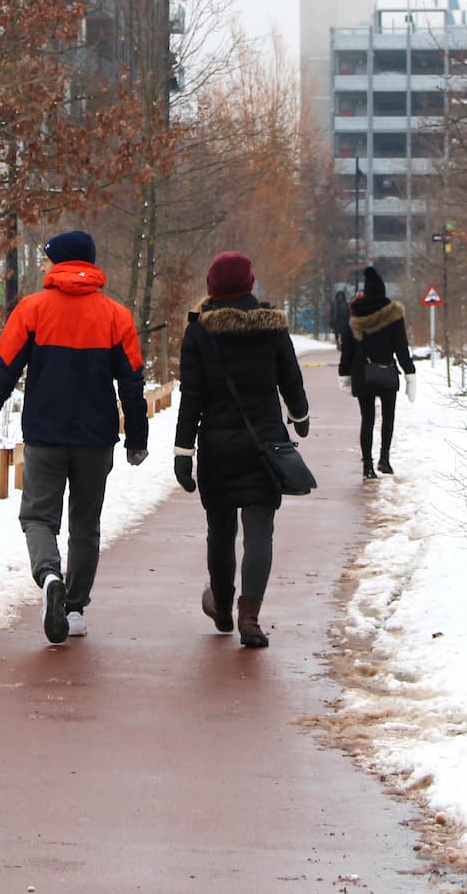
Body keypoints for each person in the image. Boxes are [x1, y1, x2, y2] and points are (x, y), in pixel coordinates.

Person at [0, 230, 149, 645]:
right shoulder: (116, 316)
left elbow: (4, 369)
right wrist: (136, 439)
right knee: (85, 526)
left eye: (47, 259)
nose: (43, 266)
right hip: (96, 438)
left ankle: (49, 575)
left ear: (61, 262)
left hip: (45, 436)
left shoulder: (31, 309)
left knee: (37, 517)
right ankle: (74, 607)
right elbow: (132, 385)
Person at [171, 251, 309, 649]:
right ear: (250, 283)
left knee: (221, 529)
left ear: (211, 287)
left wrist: (183, 451)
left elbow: (191, 396)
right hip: (266, 444)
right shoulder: (272, 326)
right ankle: (250, 617)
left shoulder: (199, 331)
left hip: (216, 445)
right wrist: (299, 416)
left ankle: (222, 604)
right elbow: (291, 378)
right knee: (260, 532)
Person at [337, 265, 417, 480]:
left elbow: (348, 349)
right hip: (387, 372)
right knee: (388, 417)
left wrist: (344, 374)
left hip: (362, 374)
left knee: (368, 419)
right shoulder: (393, 315)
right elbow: (401, 347)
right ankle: (385, 459)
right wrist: (410, 374)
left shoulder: (356, 315)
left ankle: (367, 467)